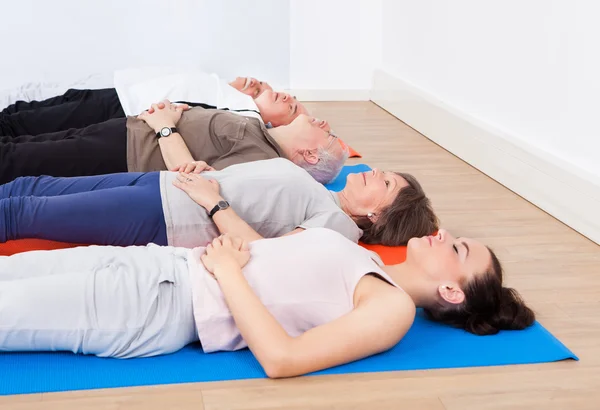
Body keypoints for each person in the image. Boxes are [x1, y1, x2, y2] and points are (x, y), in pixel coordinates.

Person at [0, 228, 535, 378]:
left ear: (451, 292)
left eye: (458, 249)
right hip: (155, 264)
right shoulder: (364, 258)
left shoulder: (391, 307)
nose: (443, 234)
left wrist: (229, 272)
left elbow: (283, 359)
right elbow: (276, 259)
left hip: (156, 304)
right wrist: (217, 204)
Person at [0, 157, 438, 248]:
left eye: (385, 182)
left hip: (168, 216)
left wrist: (213, 203)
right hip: (166, 184)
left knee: (23, 212)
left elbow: (272, 259)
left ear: (378, 213)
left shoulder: (339, 227)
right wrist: (213, 174)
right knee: (30, 185)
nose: (373, 171)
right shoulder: (325, 192)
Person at [0, 100, 346, 185]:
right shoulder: (261, 134)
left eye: (327, 134)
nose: (322, 122)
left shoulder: (262, 159)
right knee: (23, 145)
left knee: (14, 159)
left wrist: (165, 126)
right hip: (125, 132)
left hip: (123, 154)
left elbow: (195, 178)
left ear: (311, 155)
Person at [0, 71, 309, 137]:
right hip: (120, 93)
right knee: (27, 112)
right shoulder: (241, 99)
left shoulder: (246, 117)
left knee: (27, 123)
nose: (289, 97)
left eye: (292, 107)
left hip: (123, 108)